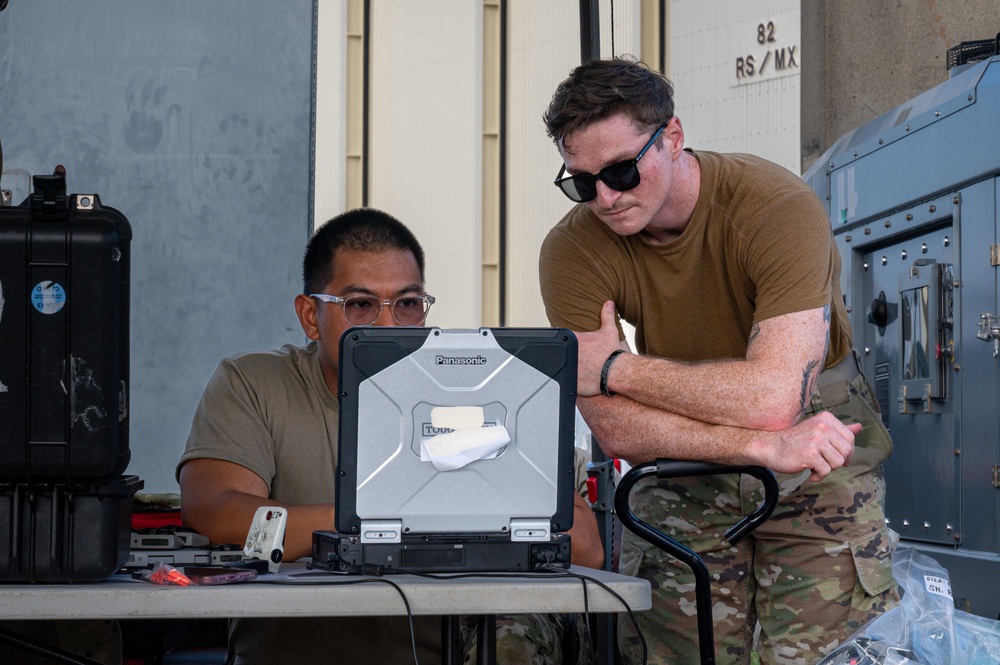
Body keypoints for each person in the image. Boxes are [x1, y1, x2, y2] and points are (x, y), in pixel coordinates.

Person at [538, 57, 897, 665]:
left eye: (622, 171)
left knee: (823, 656)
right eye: (582, 182)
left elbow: (774, 401)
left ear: (672, 136)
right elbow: (616, 429)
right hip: (688, 466)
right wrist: (760, 446)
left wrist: (617, 370)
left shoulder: (773, 206)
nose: (605, 197)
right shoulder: (572, 250)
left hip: (816, 449)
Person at [177, 207, 603, 665]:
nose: (388, 327)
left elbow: (586, 547)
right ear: (310, 316)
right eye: (360, 305)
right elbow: (213, 510)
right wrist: (371, 520)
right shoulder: (255, 383)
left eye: (407, 304)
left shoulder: (477, 386)